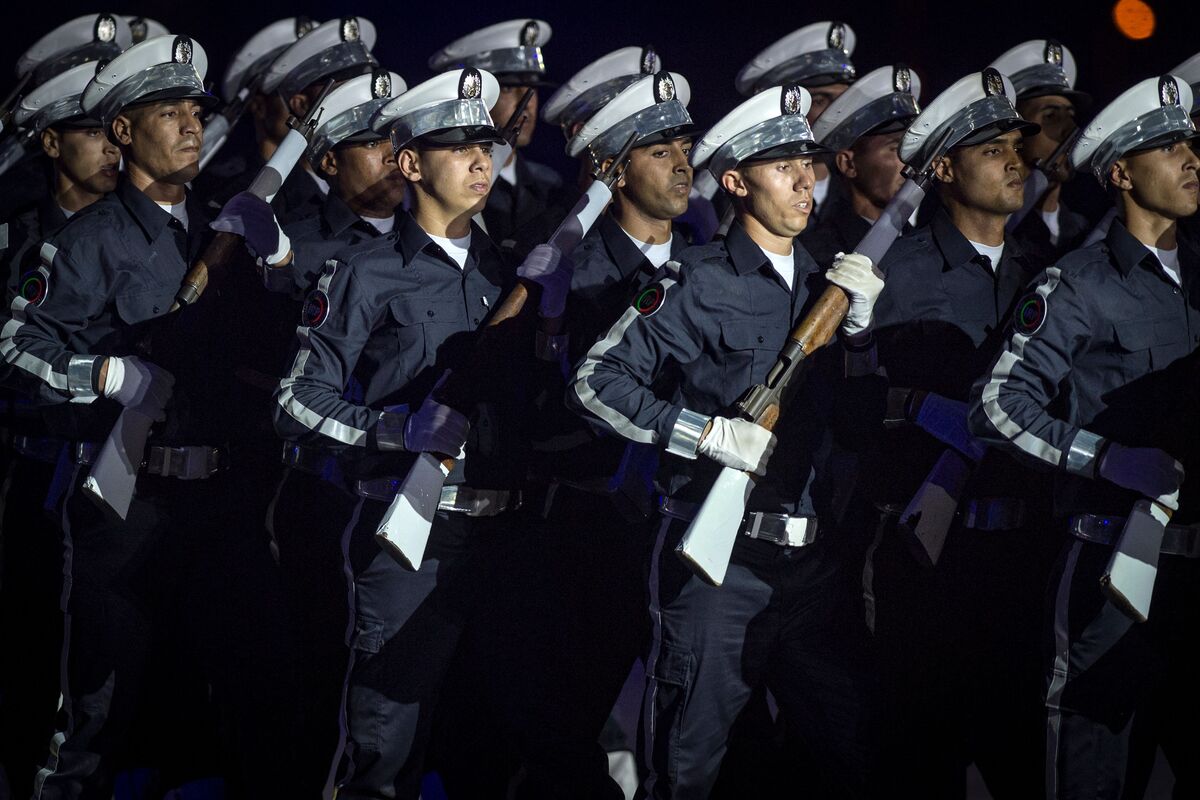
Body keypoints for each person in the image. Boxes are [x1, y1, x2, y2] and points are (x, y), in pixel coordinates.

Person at [0, 34, 297, 798]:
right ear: (124, 132)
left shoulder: (224, 234)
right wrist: (98, 373)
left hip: (223, 504)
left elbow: (284, 359)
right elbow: (13, 347)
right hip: (126, 504)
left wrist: (280, 269)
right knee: (99, 714)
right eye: (169, 112)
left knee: (248, 710)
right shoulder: (88, 242)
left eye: (196, 110)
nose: (193, 125)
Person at [568, 81, 882, 798]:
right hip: (720, 567)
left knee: (857, 752)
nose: (807, 180)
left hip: (812, 569)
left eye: (810, 163)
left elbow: (859, 427)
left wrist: (861, 341)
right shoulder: (696, 281)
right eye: (783, 167)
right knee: (687, 769)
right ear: (736, 181)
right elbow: (594, 382)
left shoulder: (832, 282)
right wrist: (701, 432)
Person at [272, 66, 563, 799]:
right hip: (409, 538)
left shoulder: (513, 271)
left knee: (494, 753)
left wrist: (554, 326)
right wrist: (397, 430)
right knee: (385, 751)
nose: (480, 160)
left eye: (487, 145)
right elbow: (294, 400)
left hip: (506, 541)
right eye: (457, 146)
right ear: (409, 163)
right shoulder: (363, 272)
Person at [438, 69, 698, 800]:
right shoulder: (563, 271)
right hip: (585, 535)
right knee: (565, 732)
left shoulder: (706, 263)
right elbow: (532, 412)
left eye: (684, 141)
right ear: (610, 169)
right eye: (657, 149)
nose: (682, 161)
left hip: (685, 531)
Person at [969, 73, 1200, 800]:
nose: (1191, 155)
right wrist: (1104, 456)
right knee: (1093, 778)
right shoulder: (1077, 284)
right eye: (1167, 146)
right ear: (1122, 173)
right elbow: (997, 407)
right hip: (1114, 567)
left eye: (1190, 139)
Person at [861, 68, 1055, 799]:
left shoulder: (1046, 269)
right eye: (991, 149)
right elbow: (843, 405)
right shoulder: (893, 274)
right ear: (943, 168)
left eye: (1016, 144)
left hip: (1026, 551)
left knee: (1027, 761)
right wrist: (911, 405)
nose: (1015, 159)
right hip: (927, 558)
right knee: (918, 762)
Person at [0, 55, 118, 800]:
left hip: (120, 476)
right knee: (31, 655)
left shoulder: (144, 232)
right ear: (50, 143)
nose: (111, 145)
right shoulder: (14, 236)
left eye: (117, 129)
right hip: (40, 464)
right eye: (89, 131)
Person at [429, 19, 573, 256]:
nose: (525, 104)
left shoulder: (551, 185)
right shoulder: (447, 184)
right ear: (475, 96)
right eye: (507, 89)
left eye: (531, 90)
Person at [735, 21, 858, 222]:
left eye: (843, 100)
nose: (838, 112)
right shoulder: (733, 196)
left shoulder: (858, 187)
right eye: (819, 100)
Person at [801, 63, 922, 268]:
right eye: (896, 149)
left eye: (912, 150)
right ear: (848, 164)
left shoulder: (925, 244)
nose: (910, 164)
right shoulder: (816, 256)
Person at [991, 39, 1092, 264]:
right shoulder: (991, 230)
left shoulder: (1085, 230)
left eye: (1070, 114)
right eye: (1051, 116)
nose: (1071, 129)